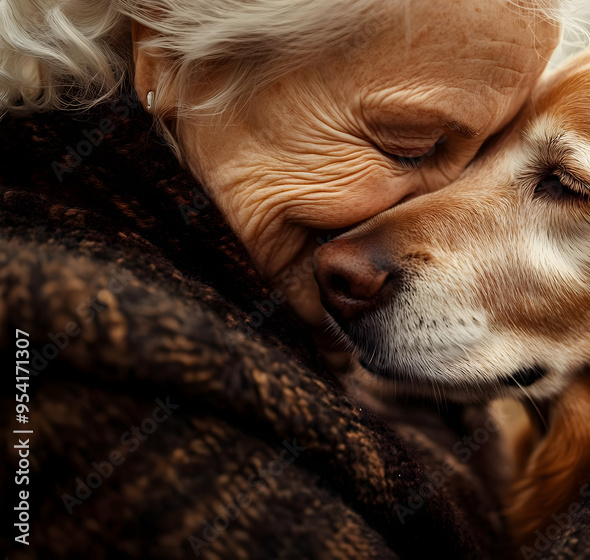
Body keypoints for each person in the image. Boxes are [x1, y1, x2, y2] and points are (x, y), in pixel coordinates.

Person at [1, 1, 558, 558]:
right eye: (407, 146)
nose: (442, 219)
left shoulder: (276, 314)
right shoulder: (77, 352)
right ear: (168, 58)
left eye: (483, 161)